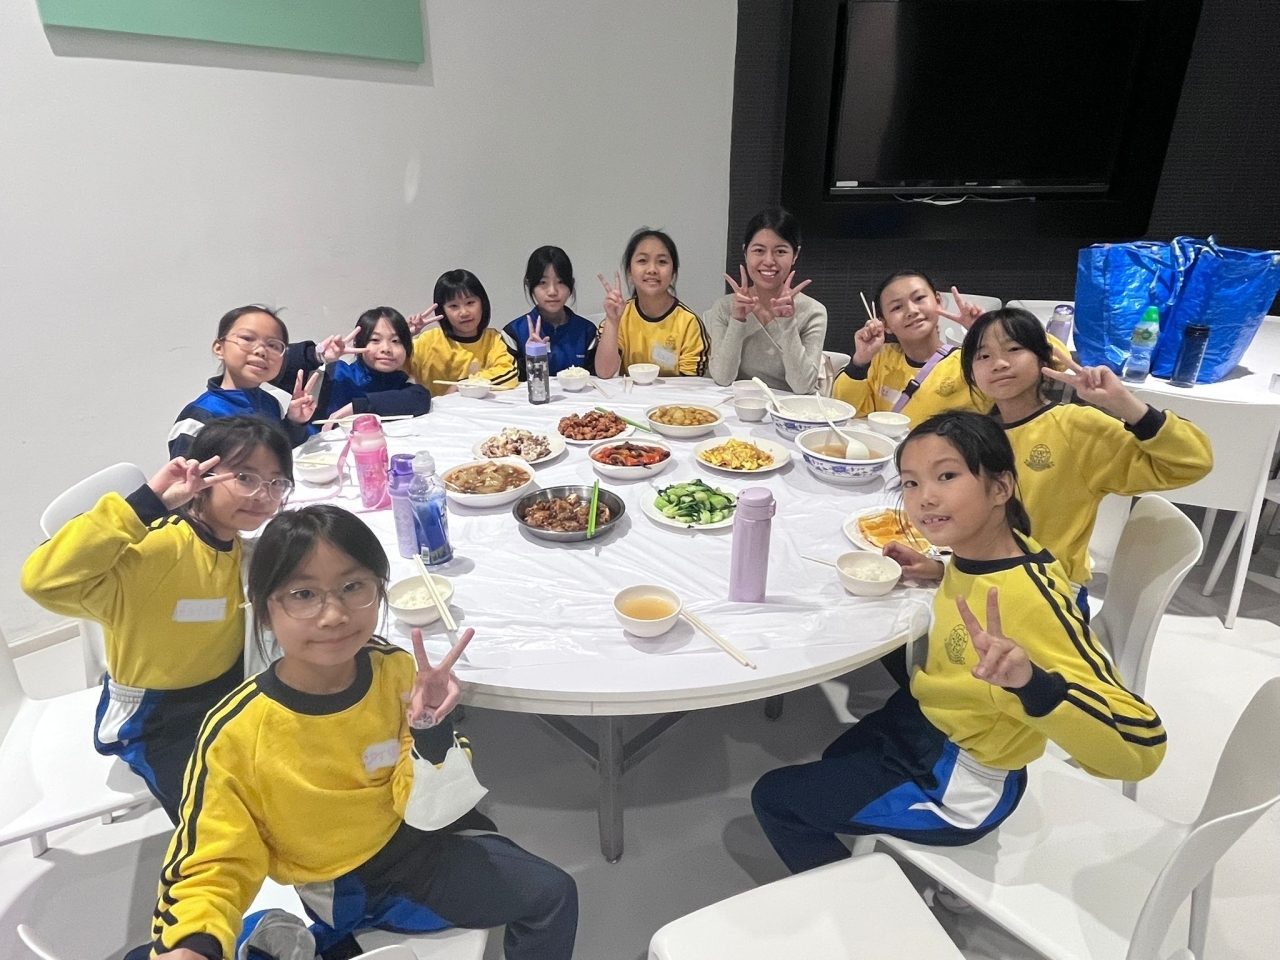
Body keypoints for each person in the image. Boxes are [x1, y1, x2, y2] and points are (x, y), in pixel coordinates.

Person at [143, 505, 578, 960]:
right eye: (303, 594)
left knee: (549, 888)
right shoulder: (237, 732)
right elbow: (211, 861)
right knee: (549, 895)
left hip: (418, 836)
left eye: (353, 587)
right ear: (265, 610)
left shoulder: (392, 669)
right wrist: (191, 943)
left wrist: (430, 726)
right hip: (354, 883)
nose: (334, 615)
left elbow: (427, 801)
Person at [751, 412, 1166, 874]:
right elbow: (986, 578)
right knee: (837, 754)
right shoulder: (986, 550)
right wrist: (939, 569)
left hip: (959, 780)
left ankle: (866, 904)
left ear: (1000, 487)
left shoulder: (1031, 602)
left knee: (775, 800)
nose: (924, 497)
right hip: (928, 721)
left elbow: (1141, 747)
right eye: (910, 483)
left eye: (946, 476)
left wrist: (1033, 684)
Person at [21, 417, 293, 822]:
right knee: (218, 816)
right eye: (245, 478)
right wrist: (145, 504)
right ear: (202, 476)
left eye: (275, 483)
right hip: (158, 716)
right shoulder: (156, 551)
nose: (262, 495)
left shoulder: (240, 549)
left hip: (228, 688)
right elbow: (42, 581)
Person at [887, 309, 1214, 617]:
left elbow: (1191, 462)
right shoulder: (975, 433)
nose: (998, 363)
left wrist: (1124, 403)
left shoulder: (1076, 427)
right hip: (986, 582)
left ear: (1043, 358)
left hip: (1047, 596)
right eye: (983, 356)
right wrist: (942, 567)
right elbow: (986, 528)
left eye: (1014, 349)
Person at [830, 271, 989, 425]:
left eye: (919, 298)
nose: (911, 311)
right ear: (885, 324)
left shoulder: (968, 362)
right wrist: (860, 361)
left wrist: (985, 334)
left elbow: (1001, 395)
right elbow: (846, 410)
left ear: (938, 301)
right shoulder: (882, 358)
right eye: (897, 307)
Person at [169, 305, 318, 458]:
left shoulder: (270, 403)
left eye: (273, 345)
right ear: (219, 348)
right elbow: (182, 472)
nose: (261, 351)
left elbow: (280, 455)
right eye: (247, 339)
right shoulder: (200, 416)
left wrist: (295, 422)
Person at [706, 208, 827, 394]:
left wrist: (787, 324)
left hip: (789, 408)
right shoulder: (724, 308)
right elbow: (723, 378)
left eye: (780, 251)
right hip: (738, 405)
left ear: (795, 255)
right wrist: (737, 320)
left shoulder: (813, 312)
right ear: (745, 252)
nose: (769, 261)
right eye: (759, 250)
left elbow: (803, 386)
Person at [274, 308, 433, 423]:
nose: (386, 348)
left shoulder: (401, 384)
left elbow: (421, 399)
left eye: (396, 341)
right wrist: (317, 355)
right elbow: (273, 366)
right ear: (359, 344)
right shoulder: (334, 376)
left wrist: (358, 407)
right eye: (375, 340)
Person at [595, 228, 710, 378]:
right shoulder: (621, 316)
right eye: (642, 261)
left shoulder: (689, 323)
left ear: (673, 272)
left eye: (662, 262)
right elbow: (604, 372)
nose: (652, 269)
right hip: (630, 393)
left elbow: (691, 384)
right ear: (629, 271)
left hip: (674, 394)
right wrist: (612, 321)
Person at [406, 270, 519, 396]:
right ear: (442, 311)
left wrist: (464, 385)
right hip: (437, 408)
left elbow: (509, 373)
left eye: (470, 303)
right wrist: (403, 336)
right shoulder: (428, 341)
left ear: (482, 303)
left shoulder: (493, 339)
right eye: (454, 306)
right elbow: (394, 368)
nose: (464, 312)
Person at [502, 246, 599, 379]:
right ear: (529, 284)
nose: (552, 291)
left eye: (560, 282)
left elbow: (596, 382)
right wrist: (532, 357)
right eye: (543, 282)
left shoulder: (587, 332)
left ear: (571, 284)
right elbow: (510, 383)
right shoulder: (513, 334)